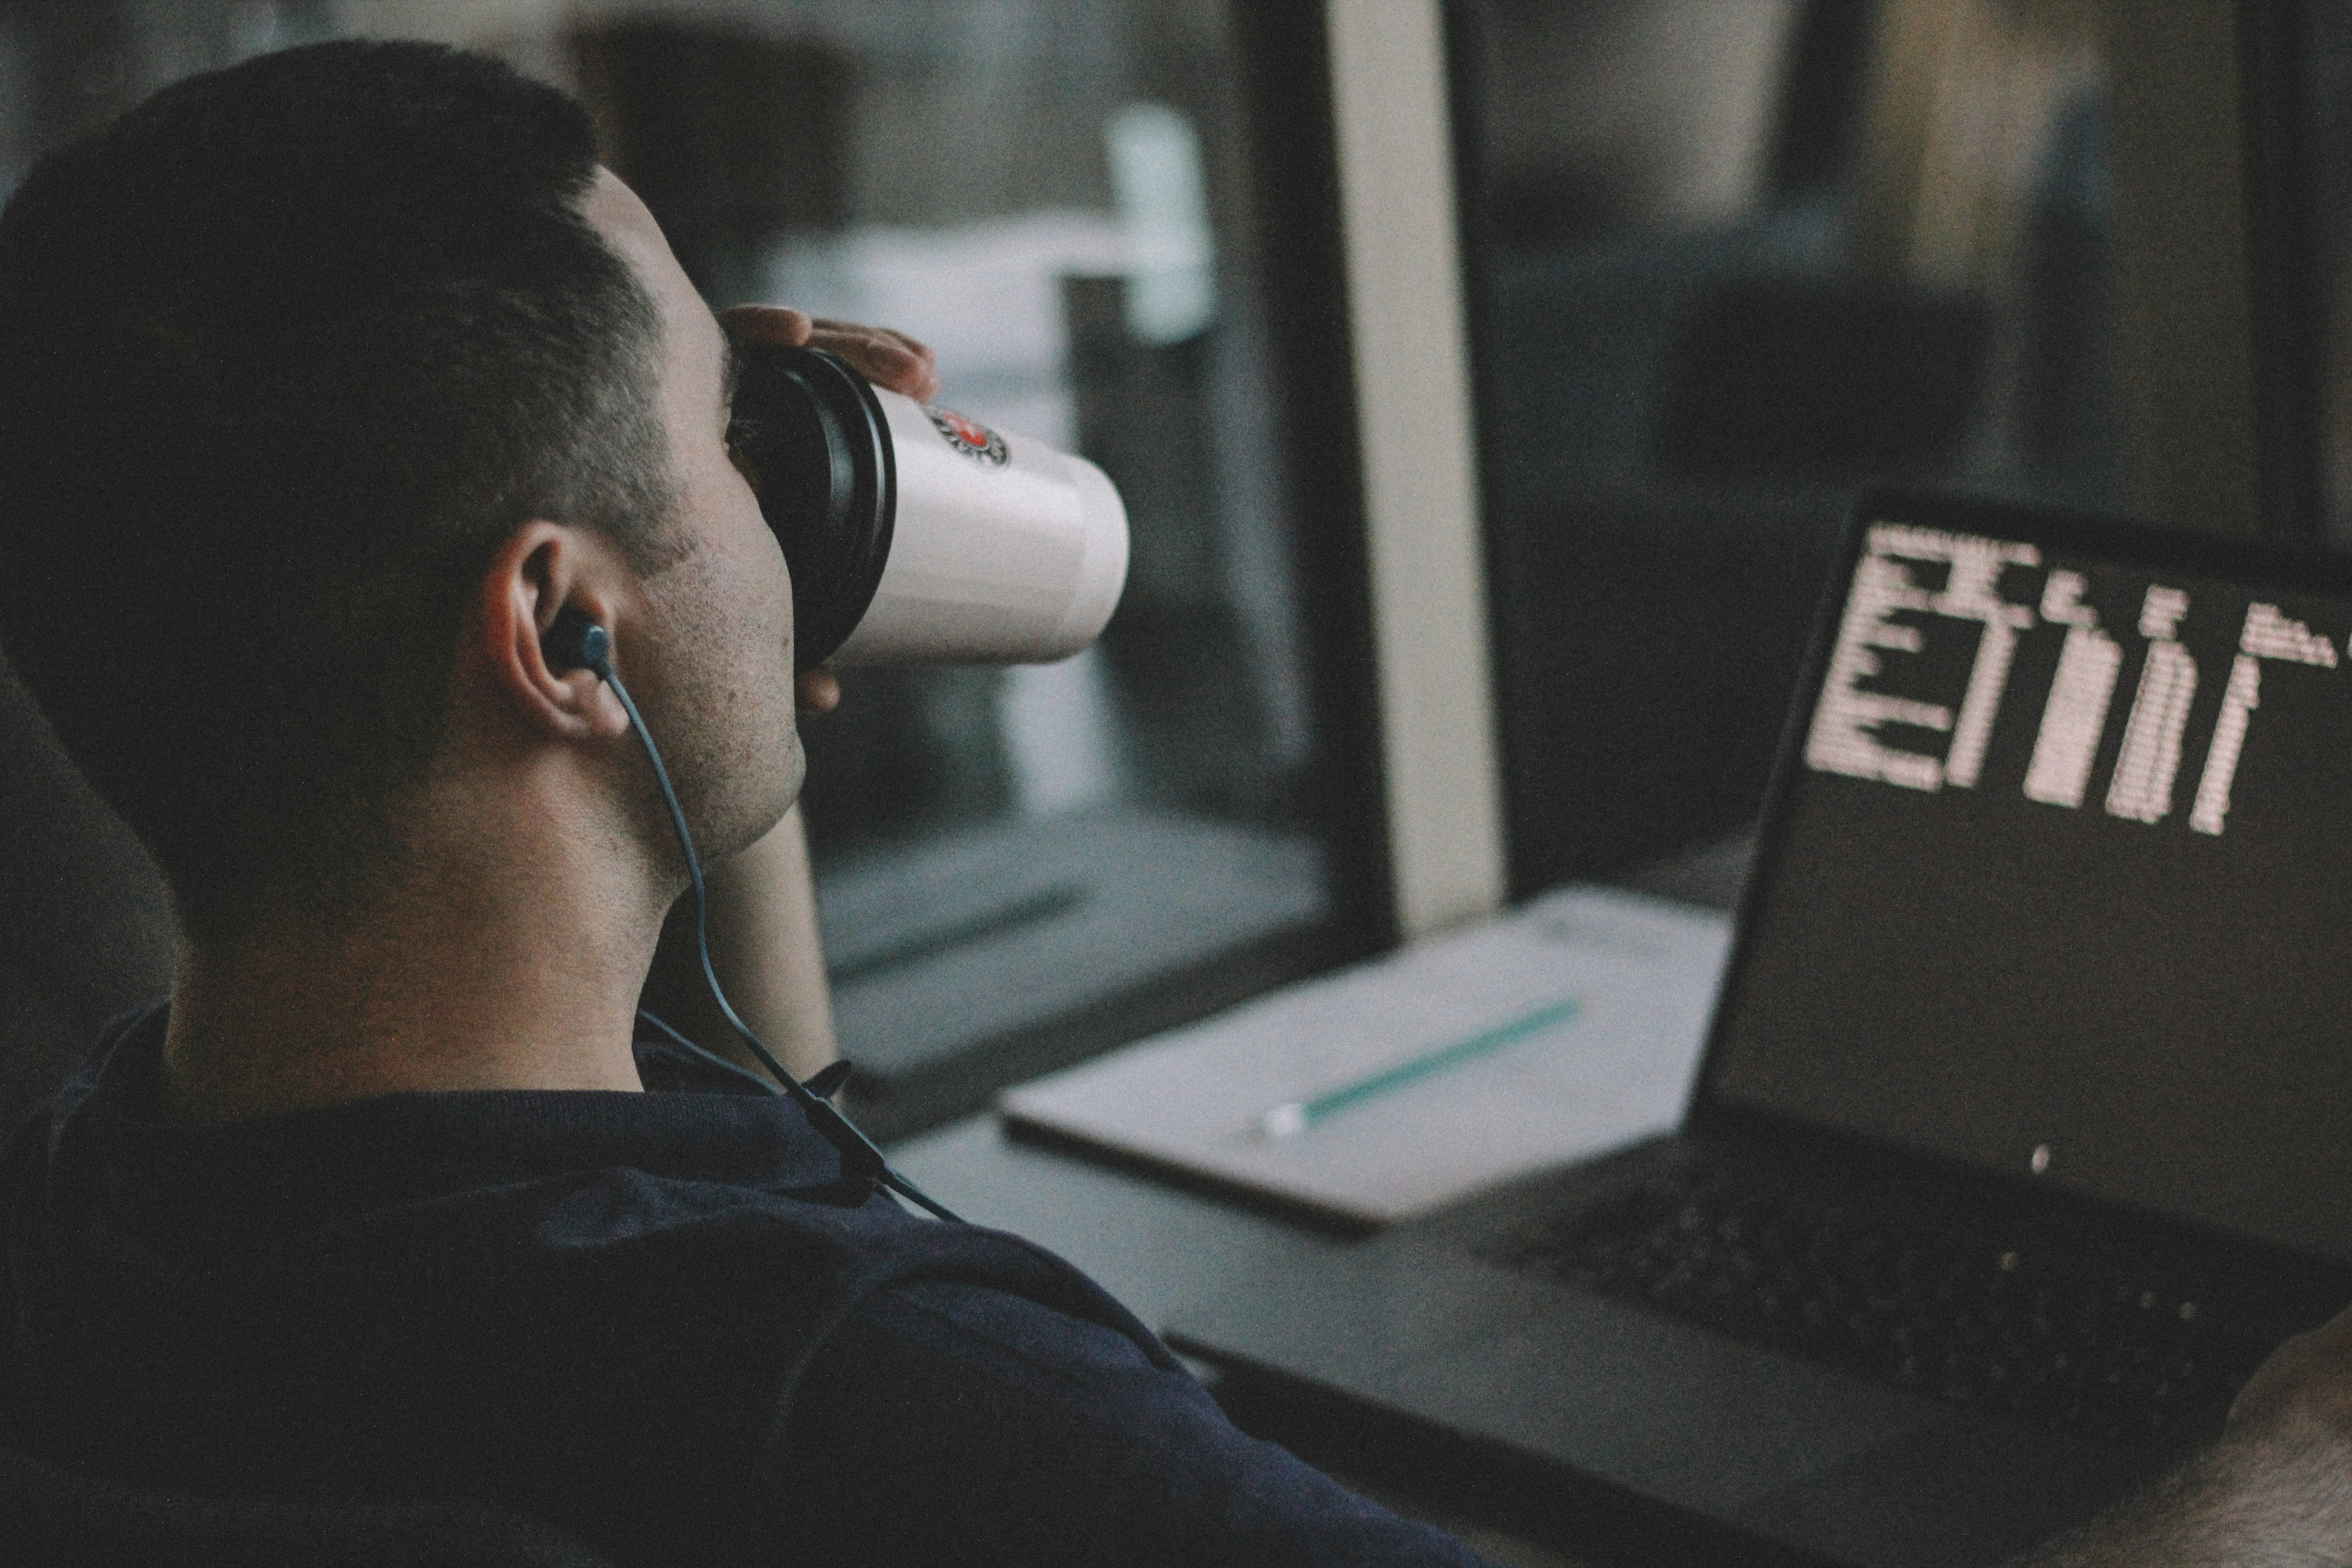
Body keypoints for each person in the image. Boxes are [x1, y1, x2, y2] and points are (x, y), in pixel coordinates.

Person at [0, 36, 2342, 1568]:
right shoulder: (873, 1404)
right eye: (735, 429)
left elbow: (736, 1122)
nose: (787, 469)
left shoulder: (117, 1206)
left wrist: (732, 575)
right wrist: (2279, 1483)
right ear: (562, 637)